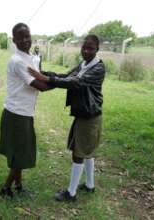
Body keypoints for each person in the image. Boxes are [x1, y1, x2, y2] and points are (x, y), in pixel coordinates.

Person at [28, 34, 105, 202]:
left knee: (79, 153)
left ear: (97, 49)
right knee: (88, 151)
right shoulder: (84, 64)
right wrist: (44, 73)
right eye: (84, 47)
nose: (86, 50)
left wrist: (45, 79)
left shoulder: (98, 68)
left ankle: (71, 193)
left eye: (90, 48)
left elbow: (75, 82)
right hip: (86, 115)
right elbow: (67, 76)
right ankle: (90, 185)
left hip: (90, 117)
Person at [0, 23, 50, 198]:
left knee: (20, 152)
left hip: (25, 113)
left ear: (31, 35)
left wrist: (47, 74)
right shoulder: (17, 61)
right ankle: (6, 188)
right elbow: (40, 86)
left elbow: (40, 71)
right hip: (16, 114)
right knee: (19, 154)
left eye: (27, 36)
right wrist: (67, 82)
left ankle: (19, 185)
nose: (25, 40)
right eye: (20, 37)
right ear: (14, 40)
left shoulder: (31, 58)